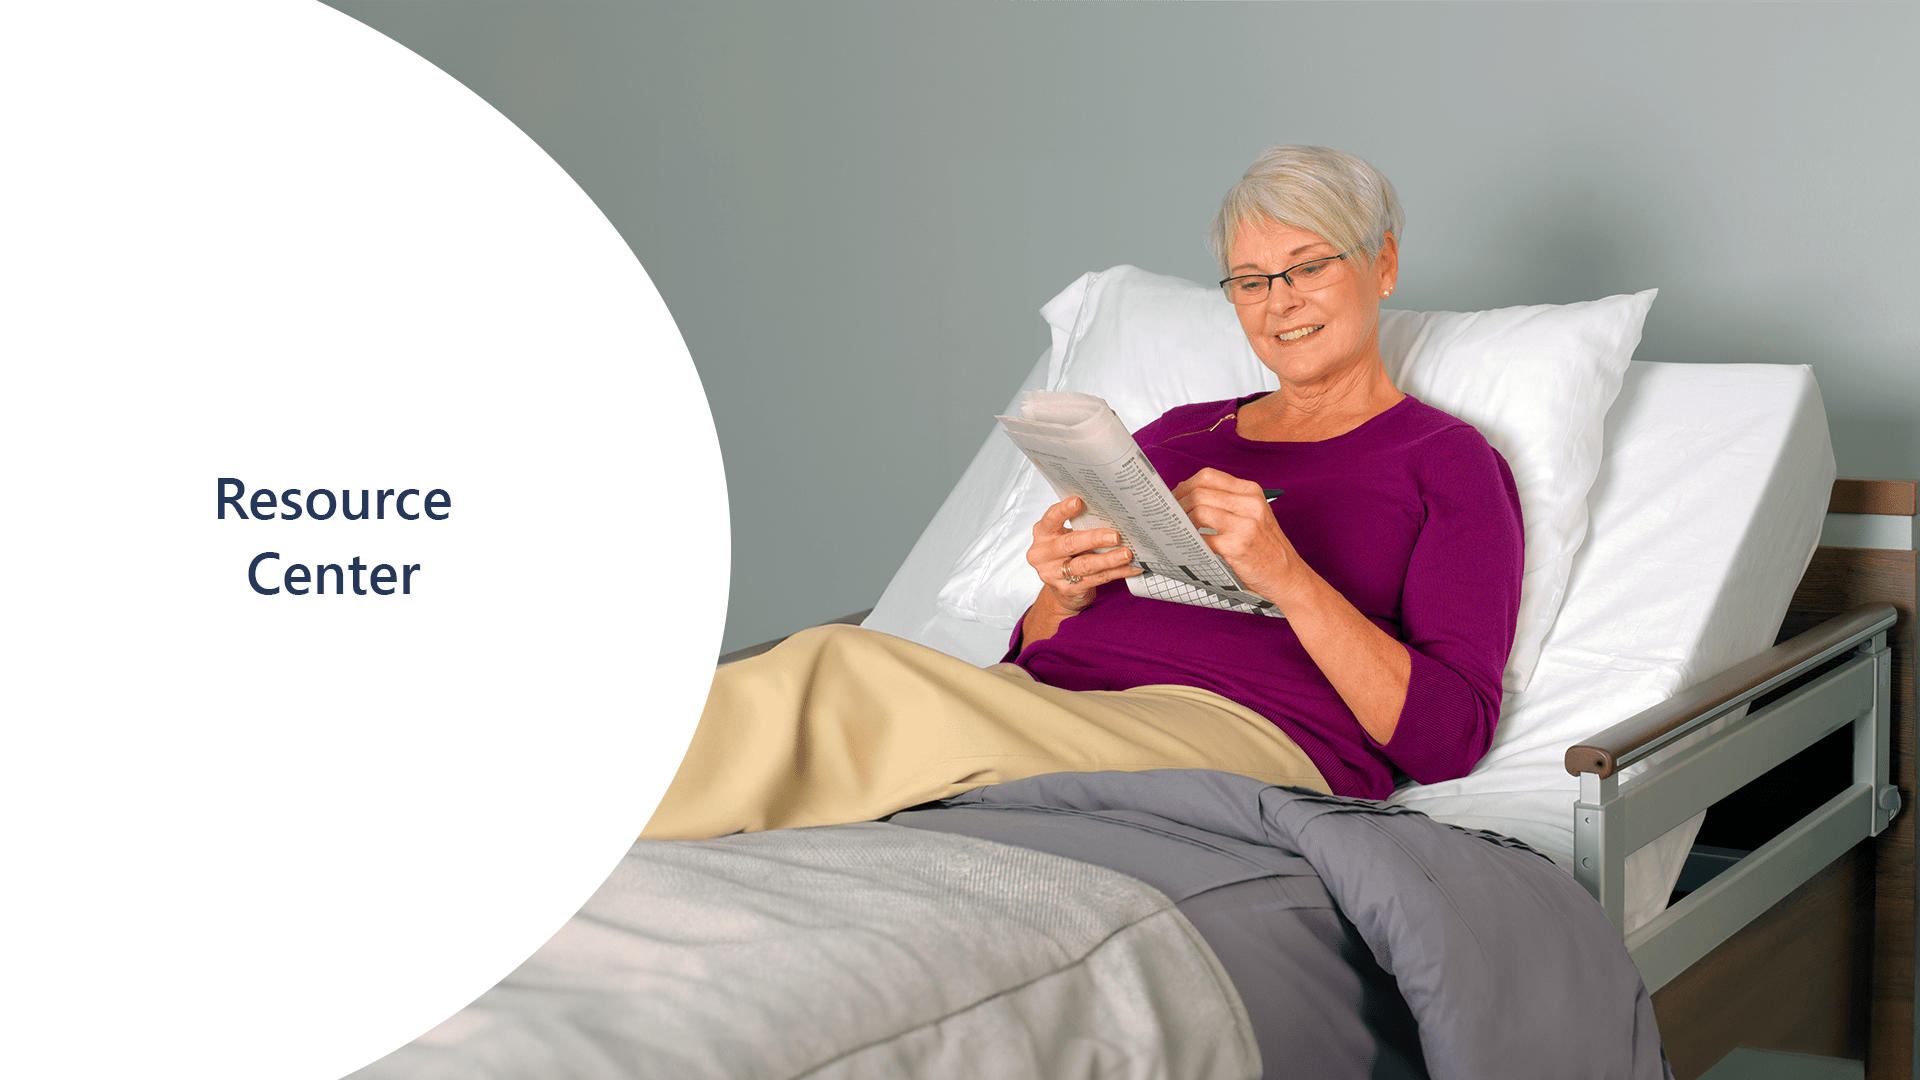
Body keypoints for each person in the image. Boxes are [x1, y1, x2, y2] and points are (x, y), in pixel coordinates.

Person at [643, 145, 1522, 840]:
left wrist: (1287, 577)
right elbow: (1034, 657)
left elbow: (1447, 741)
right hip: (1061, 705)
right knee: (832, 662)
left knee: (841, 669)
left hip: (1249, 734)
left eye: (1308, 267)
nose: (1278, 302)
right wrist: (1060, 591)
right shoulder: (1181, 432)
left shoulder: (1445, 462)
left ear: (1383, 265)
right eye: (1250, 281)